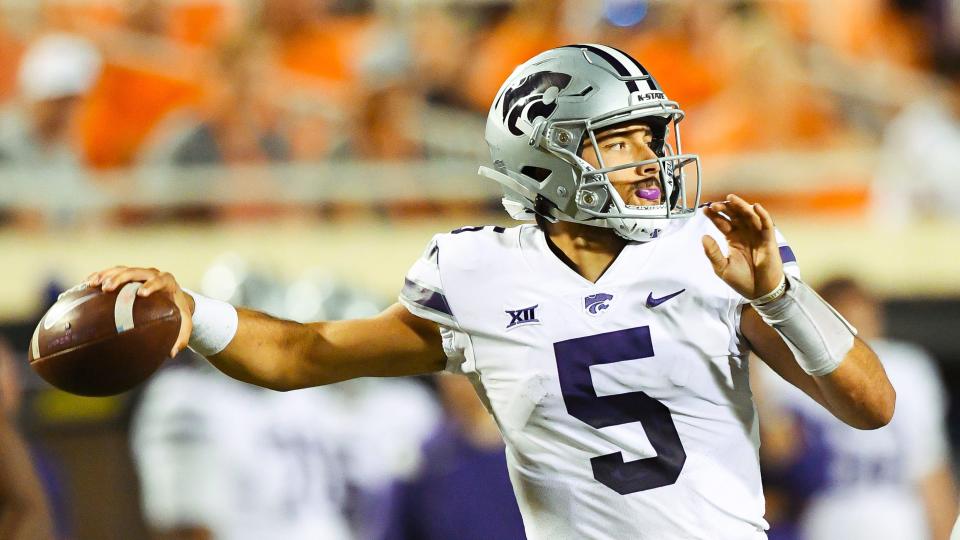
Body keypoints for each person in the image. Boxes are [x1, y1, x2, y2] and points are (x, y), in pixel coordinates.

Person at [87, 45, 895, 539]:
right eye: (618, 142)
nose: (650, 161)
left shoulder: (714, 249)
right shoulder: (476, 273)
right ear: (546, 157)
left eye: (651, 138)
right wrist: (195, 312)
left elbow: (870, 405)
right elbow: (306, 353)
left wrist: (782, 294)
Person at [755, 277, 957, 540]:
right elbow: (777, 453)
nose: (858, 332)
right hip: (825, 522)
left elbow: (931, 472)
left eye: (864, 319)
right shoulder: (791, 372)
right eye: (848, 321)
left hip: (899, 523)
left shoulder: (907, 369)